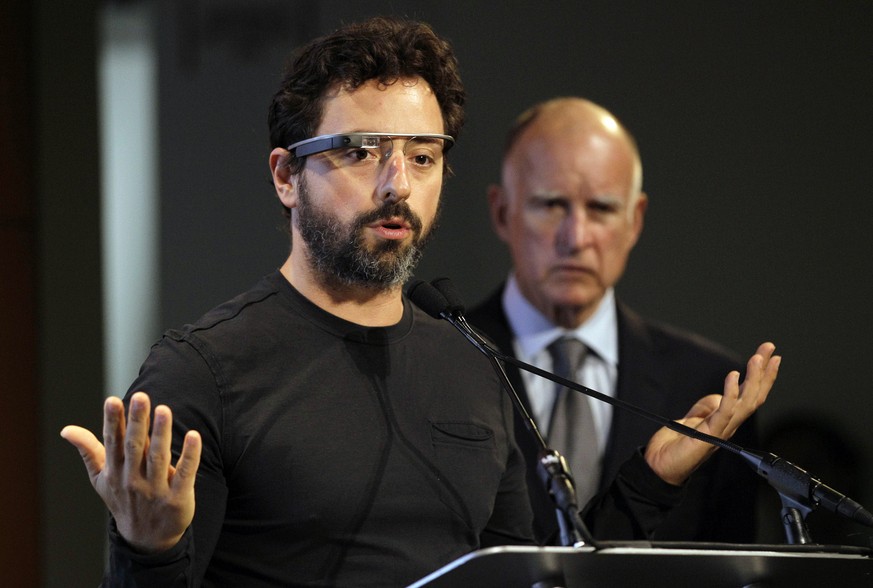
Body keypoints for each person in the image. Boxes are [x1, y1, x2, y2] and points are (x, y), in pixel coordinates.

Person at [60, 19, 780, 587]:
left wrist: (648, 482)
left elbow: (527, 580)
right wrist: (146, 549)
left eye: (423, 156)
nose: (397, 184)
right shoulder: (203, 373)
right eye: (362, 150)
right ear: (286, 176)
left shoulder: (472, 364)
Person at [468, 96, 768, 545]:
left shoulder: (708, 386)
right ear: (502, 213)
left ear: (635, 220)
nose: (576, 238)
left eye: (602, 208)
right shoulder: (440, 360)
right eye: (551, 204)